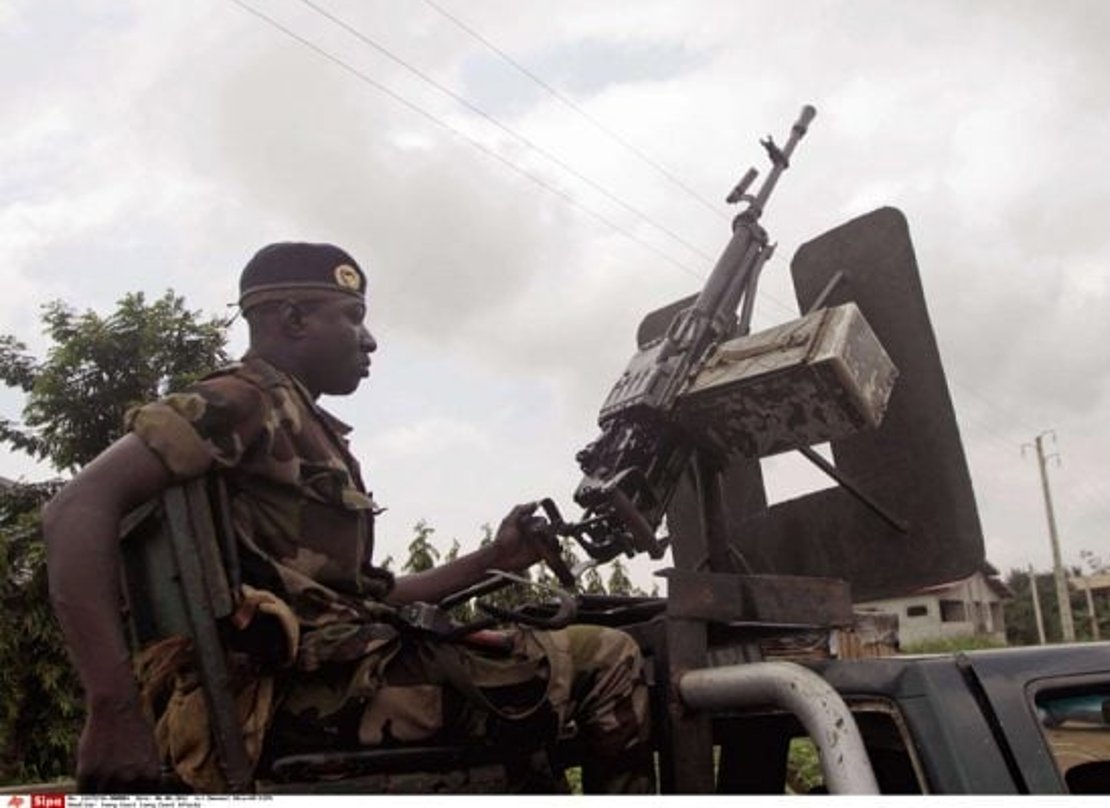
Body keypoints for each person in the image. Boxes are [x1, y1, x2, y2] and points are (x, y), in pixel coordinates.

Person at [42, 242, 653, 794]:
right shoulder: (244, 399)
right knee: (614, 658)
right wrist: (113, 707)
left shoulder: (301, 422)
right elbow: (75, 509)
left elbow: (369, 596)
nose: (370, 340)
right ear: (292, 319)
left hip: (334, 675)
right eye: (352, 317)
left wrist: (495, 559)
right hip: (311, 693)